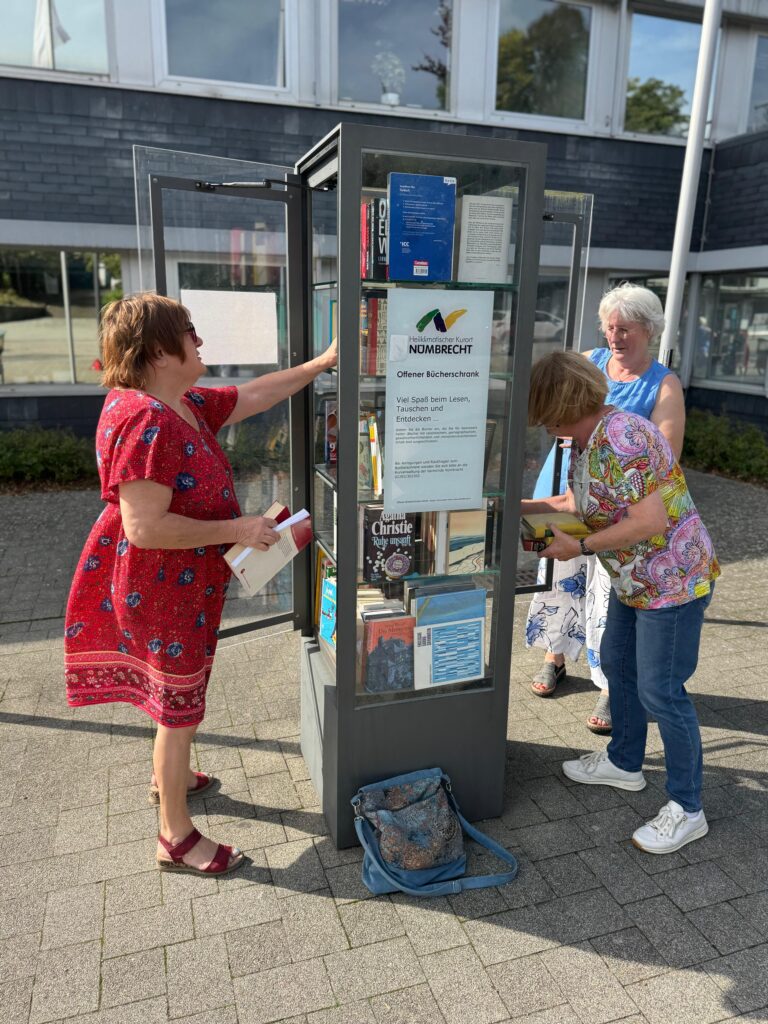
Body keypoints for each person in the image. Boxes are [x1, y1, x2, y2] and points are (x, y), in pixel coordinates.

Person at [65, 292, 336, 876]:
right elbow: (144, 528)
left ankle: (173, 776)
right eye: (189, 332)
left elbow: (253, 395)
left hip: (182, 588)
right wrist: (239, 528)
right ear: (161, 352)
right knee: (178, 710)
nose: (200, 341)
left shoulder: (178, 403)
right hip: (163, 592)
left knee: (177, 697)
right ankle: (175, 835)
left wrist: (320, 364)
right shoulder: (146, 420)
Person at [525, 351, 719, 854]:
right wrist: (513, 508)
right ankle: (624, 762)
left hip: (671, 582)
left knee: (662, 692)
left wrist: (580, 546)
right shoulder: (587, 439)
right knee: (616, 664)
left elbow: (651, 521)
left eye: (546, 415)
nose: (544, 425)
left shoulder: (622, 437)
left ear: (562, 407)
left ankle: (688, 808)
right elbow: (578, 503)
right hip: (635, 578)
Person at [525, 283, 685, 735]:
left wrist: (609, 450)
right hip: (569, 489)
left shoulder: (660, 386)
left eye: (625, 328)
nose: (615, 336)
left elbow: (663, 457)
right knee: (560, 578)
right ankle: (556, 655)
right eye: (610, 327)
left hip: (618, 510)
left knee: (605, 598)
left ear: (649, 330)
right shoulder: (589, 362)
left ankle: (611, 685)